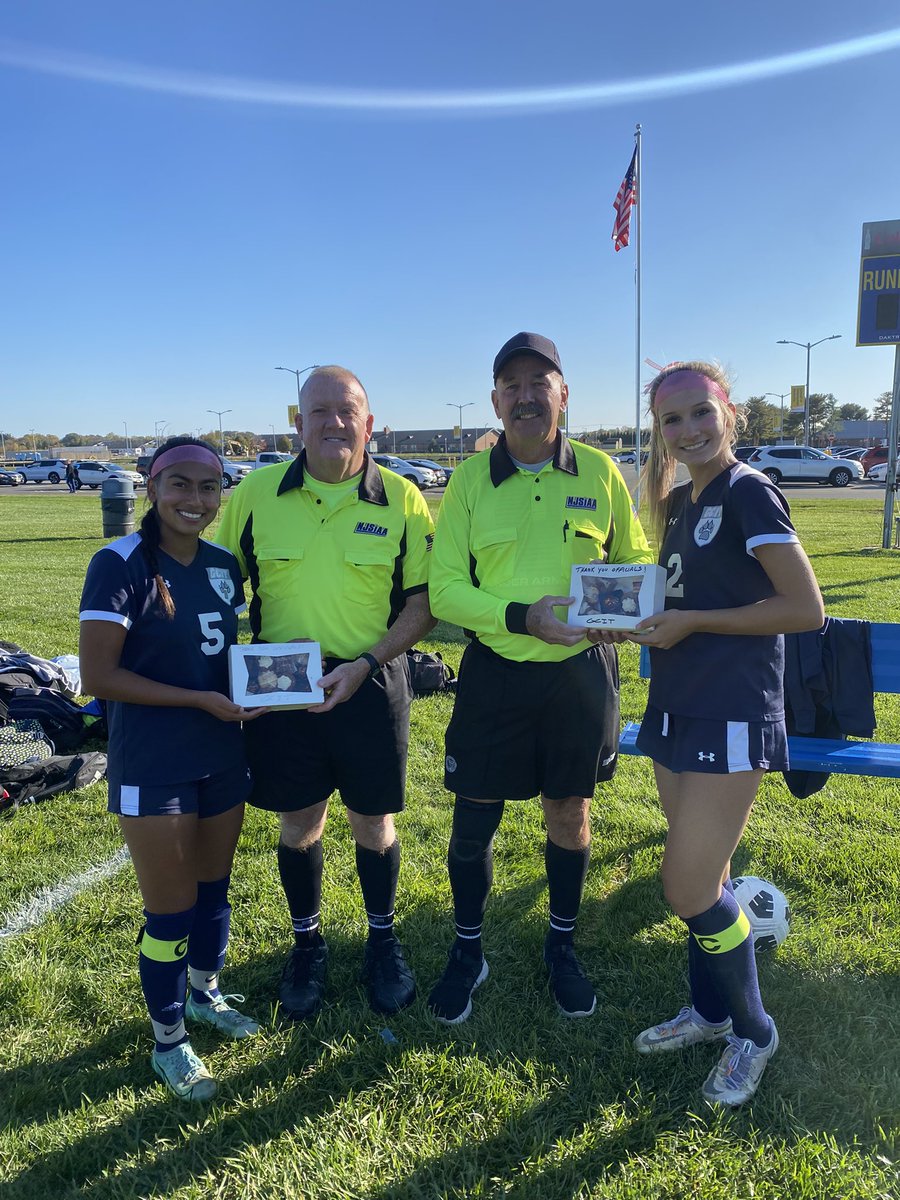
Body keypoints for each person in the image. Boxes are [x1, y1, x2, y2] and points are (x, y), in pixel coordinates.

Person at [426, 332, 653, 1024]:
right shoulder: (468, 481)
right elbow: (443, 592)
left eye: (539, 382)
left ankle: (562, 945)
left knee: (570, 813)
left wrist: (627, 601)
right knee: (473, 822)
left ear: (563, 392)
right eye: (512, 385)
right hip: (495, 673)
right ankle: (470, 950)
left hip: (580, 677)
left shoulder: (599, 471)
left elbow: (635, 553)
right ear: (496, 399)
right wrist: (523, 616)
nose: (526, 395)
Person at [629, 362, 824, 1106]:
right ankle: (709, 1013)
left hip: (732, 711)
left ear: (729, 414)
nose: (687, 431)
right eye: (671, 421)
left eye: (699, 413)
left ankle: (754, 1029)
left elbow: (804, 609)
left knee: (685, 886)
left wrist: (693, 622)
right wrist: (629, 619)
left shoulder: (748, 490)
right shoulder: (681, 498)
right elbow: (677, 600)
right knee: (702, 879)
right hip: (677, 704)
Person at [215, 366, 435, 1021]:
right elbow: (222, 595)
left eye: (348, 412)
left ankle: (381, 940)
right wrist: (231, 673)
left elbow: (422, 607)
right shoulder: (254, 495)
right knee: (299, 820)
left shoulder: (401, 498)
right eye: (320, 411)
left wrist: (367, 663)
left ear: (370, 424)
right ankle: (307, 944)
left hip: (369, 679)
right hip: (281, 690)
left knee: (373, 821)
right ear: (297, 421)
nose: (334, 423)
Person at [79, 437, 265, 1102]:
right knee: (170, 911)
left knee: (214, 890)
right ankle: (168, 1042)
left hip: (220, 751)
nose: (195, 499)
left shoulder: (222, 565)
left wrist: (257, 689)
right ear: (153, 489)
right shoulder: (118, 563)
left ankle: (207, 993)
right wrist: (198, 699)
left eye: (208, 487)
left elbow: (225, 658)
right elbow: (99, 676)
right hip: (153, 760)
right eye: (179, 485)